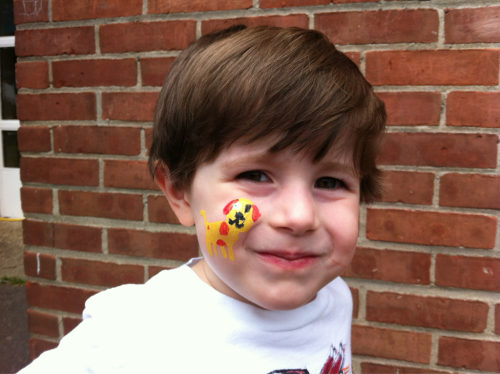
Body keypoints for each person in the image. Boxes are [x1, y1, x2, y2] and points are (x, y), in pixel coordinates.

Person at [19, 25, 386, 374]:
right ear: (179, 192)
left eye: (329, 181)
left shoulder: (332, 296)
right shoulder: (133, 329)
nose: (300, 216)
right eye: (255, 175)